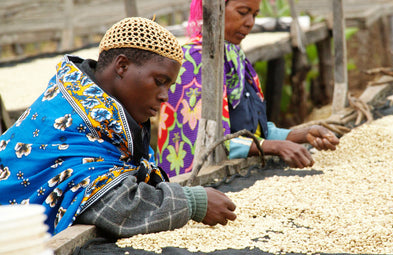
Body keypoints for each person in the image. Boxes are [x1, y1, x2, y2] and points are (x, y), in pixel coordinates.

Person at [0, 17, 236, 237]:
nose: (165, 96)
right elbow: (114, 207)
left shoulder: (105, 121)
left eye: (169, 86)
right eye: (159, 82)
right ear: (122, 66)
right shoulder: (69, 119)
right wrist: (192, 203)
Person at [157, 0, 339, 178]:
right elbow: (207, 142)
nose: (250, 22)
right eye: (243, 12)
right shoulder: (195, 62)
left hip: (239, 174)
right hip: (203, 183)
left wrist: (304, 134)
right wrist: (273, 147)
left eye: (254, 14)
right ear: (215, 9)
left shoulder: (236, 58)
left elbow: (257, 131)